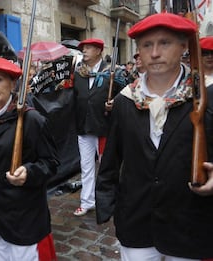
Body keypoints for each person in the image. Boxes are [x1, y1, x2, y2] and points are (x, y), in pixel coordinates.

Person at [95, 13, 213, 260]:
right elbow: (111, 161)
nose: (155, 53)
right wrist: (109, 207)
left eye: (165, 43)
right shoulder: (124, 101)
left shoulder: (206, 97)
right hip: (136, 224)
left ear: (183, 46)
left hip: (188, 225)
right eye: (147, 45)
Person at [0, 56, 59, 261]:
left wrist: (29, 172)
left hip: (22, 220)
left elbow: (51, 163)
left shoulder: (31, 120)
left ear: (12, 84)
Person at [72, 38, 124, 216]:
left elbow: (124, 96)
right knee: (86, 167)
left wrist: (113, 103)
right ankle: (87, 201)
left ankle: (110, 200)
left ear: (99, 51)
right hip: (83, 128)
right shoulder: (79, 73)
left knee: (106, 166)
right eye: (83, 48)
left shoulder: (112, 73)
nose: (84, 51)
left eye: (88, 48)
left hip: (104, 128)